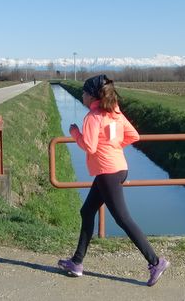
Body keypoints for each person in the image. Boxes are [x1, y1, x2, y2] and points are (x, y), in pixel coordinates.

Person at [57, 74, 170, 287]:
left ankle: (156, 262)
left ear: (91, 96)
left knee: (122, 218)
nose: (81, 95)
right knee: (87, 211)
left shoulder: (92, 117)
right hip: (117, 168)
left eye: (83, 92)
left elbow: (89, 146)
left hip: (107, 171)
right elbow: (133, 136)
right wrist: (114, 146)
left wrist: (74, 132)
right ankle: (77, 262)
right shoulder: (114, 113)